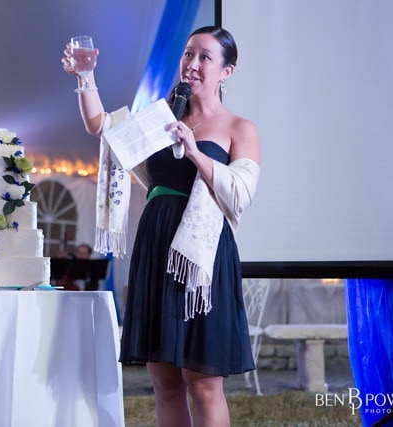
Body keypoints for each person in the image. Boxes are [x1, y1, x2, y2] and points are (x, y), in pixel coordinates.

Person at [63, 26, 261, 426]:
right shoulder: (160, 119)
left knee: (203, 384)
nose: (192, 63)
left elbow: (241, 192)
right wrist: (85, 76)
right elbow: (102, 127)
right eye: (188, 54)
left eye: (205, 57)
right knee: (166, 383)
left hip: (202, 259)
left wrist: (195, 152)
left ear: (226, 72)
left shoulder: (239, 127)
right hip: (155, 247)